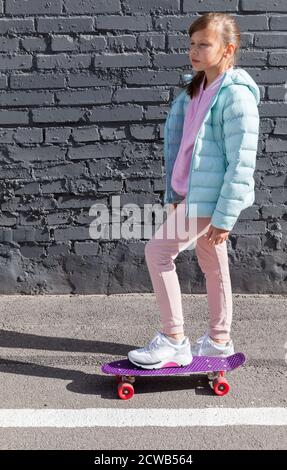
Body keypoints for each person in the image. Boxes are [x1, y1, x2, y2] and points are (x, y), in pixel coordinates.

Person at [128, 12, 260, 369]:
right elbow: (182, 147)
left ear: (228, 50)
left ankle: (173, 339)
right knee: (213, 265)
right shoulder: (195, 90)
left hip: (211, 200)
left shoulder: (236, 98)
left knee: (157, 252)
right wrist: (174, 196)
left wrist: (225, 216)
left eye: (204, 44)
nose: (195, 50)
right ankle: (219, 341)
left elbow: (241, 163)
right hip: (192, 195)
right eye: (192, 44)